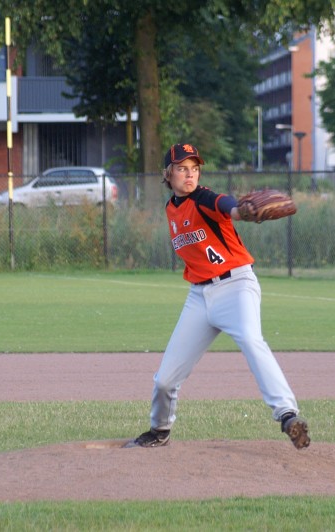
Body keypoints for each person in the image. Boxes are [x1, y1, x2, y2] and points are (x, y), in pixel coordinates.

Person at [127, 143, 310, 450]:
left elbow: (227, 206)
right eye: (182, 168)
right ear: (168, 174)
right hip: (199, 297)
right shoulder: (171, 209)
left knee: (251, 340)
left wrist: (241, 211)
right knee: (165, 380)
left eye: (194, 168)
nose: (190, 174)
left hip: (236, 286)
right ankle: (160, 430)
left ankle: (287, 415)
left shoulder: (204, 198)